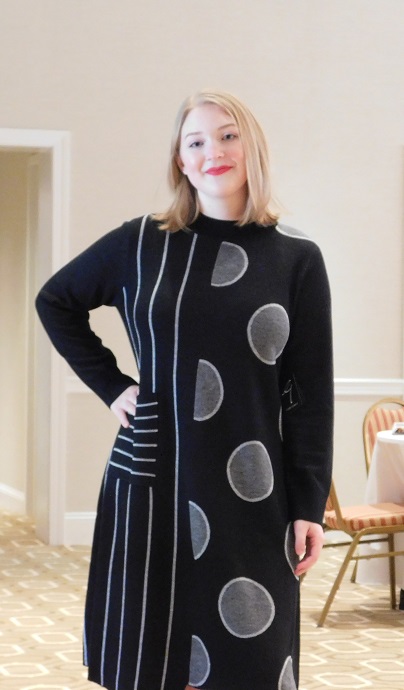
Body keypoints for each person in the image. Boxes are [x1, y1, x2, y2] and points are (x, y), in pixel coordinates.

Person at [36, 90, 333, 690]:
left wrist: (309, 505)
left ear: (252, 147)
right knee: (153, 654)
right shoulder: (141, 244)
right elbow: (56, 301)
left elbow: (309, 392)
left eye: (227, 136)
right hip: (155, 475)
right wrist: (112, 387)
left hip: (252, 484)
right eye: (195, 142)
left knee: (250, 656)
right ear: (181, 160)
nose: (213, 151)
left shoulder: (297, 259)